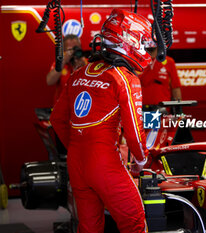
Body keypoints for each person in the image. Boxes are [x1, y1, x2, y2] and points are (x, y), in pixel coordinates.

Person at [50, 9, 154, 233]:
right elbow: (134, 131)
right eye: (143, 43)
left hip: (76, 162)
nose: (145, 49)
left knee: (89, 227)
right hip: (105, 163)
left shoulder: (79, 73)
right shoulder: (124, 78)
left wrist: (79, 148)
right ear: (128, 41)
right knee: (134, 222)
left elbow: (56, 119)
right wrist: (143, 161)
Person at [46, 34, 87, 104]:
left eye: (76, 48)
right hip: (62, 105)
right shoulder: (60, 63)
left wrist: (84, 67)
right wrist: (64, 61)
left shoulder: (87, 62)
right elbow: (49, 81)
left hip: (81, 105)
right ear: (64, 50)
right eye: (70, 50)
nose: (73, 52)